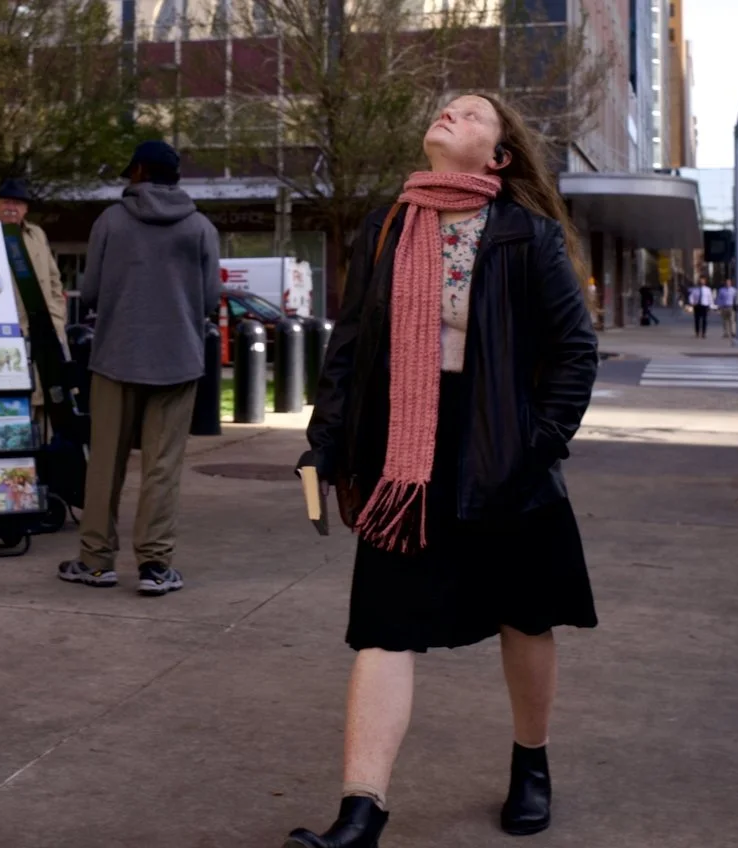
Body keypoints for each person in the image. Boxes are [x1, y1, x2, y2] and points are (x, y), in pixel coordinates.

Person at [286, 94, 599, 847]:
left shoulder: (527, 235)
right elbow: (351, 347)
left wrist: (537, 444)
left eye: (469, 113)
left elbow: (573, 353)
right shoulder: (390, 225)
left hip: (504, 451)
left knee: (524, 617)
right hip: (407, 454)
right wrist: (324, 444)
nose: (447, 115)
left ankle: (531, 764)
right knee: (384, 628)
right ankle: (362, 809)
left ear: (498, 157)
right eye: (444, 109)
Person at [57, 141, 221, 596]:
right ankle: (154, 565)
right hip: (178, 361)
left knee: (106, 463)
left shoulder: (109, 222)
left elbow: (89, 292)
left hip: (116, 357)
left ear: (140, 172)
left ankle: (95, 560)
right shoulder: (200, 228)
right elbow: (209, 300)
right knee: (162, 467)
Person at [0, 178, 68, 423]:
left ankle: (45, 455)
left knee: (49, 394)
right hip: (6, 330)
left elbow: (55, 279)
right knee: (12, 399)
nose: (11, 207)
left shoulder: (37, 234)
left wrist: (57, 316)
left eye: (18, 203)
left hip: (45, 328)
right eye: (6, 202)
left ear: (26, 208)